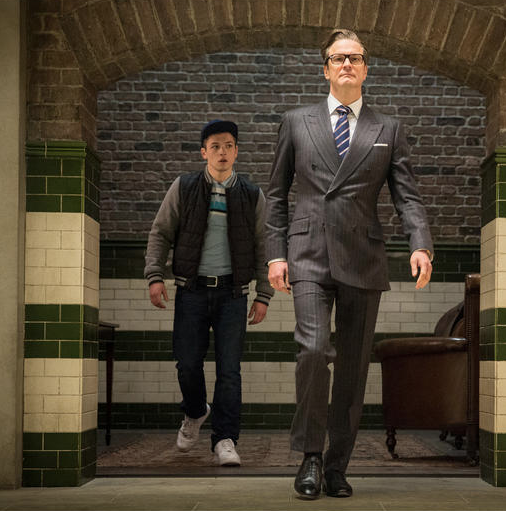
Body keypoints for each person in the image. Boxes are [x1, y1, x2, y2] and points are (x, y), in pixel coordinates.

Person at [265, 29, 434, 498]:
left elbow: (407, 196)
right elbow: (276, 194)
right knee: (314, 350)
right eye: (338, 58)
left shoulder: (387, 129)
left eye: (355, 58)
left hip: (363, 255)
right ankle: (310, 456)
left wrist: (420, 244)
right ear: (325, 69)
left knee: (355, 368)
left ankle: (337, 465)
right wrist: (275, 253)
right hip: (308, 254)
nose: (347, 65)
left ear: (365, 69)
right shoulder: (296, 122)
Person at [144, 119, 273, 466]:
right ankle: (195, 410)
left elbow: (264, 246)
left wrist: (263, 294)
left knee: (230, 370)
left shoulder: (251, 195)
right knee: (188, 364)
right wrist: (155, 275)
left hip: (233, 294)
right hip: (192, 292)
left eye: (228, 145)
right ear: (204, 152)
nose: (222, 152)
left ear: (237, 152)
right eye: (215, 146)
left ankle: (225, 440)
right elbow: (160, 232)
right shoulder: (184, 187)